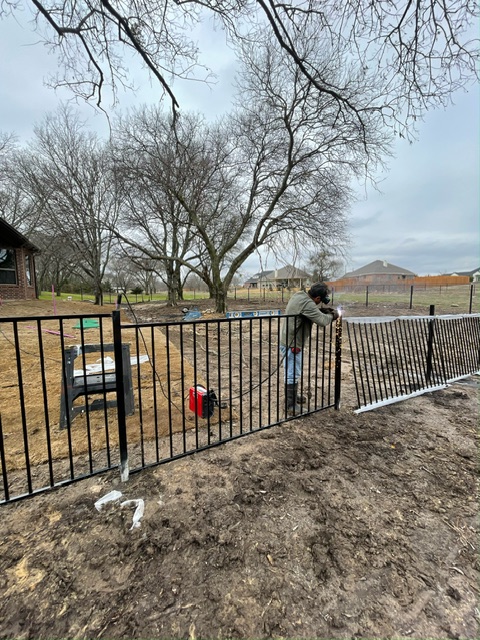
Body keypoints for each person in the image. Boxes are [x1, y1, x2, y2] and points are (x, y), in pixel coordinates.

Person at [280, 283, 339, 415]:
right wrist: (333, 315)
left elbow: (308, 312)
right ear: (317, 298)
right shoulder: (309, 304)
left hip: (287, 339)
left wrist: (322, 311)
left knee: (292, 370)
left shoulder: (299, 295)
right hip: (293, 343)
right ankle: (290, 405)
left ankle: (293, 398)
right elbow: (322, 321)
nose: (320, 303)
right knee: (293, 372)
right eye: (320, 301)